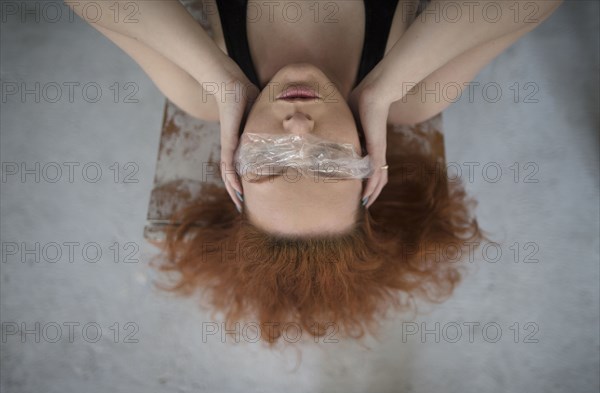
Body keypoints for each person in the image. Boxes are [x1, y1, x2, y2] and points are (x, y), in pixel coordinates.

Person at [68, 0, 563, 345]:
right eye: (329, 163)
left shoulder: (203, 91)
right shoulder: (411, 97)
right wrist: (384, 87)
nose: (299, 128)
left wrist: (219, 79)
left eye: (269, 163)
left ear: (235, 161)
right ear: (370, 161)